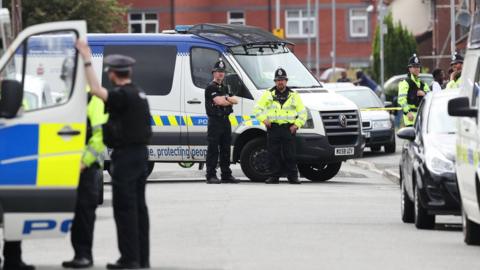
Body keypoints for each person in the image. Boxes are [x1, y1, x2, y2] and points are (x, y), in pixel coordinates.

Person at [76, 40, 152, 269]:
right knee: (139, 209)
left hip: (126, 158)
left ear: (113, 74)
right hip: (141, 156)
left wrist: (86, 58)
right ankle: (141, 259)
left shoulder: (122, 95)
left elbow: (97, 91)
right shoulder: (139, 93)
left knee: (125, 210)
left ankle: (129, 259)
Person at [62, 59, 108, 268]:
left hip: (88, 168)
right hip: (71, 166)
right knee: (76, 213)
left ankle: (84, 255)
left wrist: (84, 162)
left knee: (85, 214)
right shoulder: (72, 98)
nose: (65, 82)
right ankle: (78, 254)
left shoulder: (93, 99)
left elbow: (99, 137)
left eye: (68, 78)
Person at [253, 68, 307, 184]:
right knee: (273, 153)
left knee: (290, 154)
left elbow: (303, 113)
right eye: (278, 80)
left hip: (289, 128)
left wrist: (296, 125)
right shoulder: (268, 94)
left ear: (286, 81)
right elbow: (257, 108)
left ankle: (293, 177)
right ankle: (274, 176)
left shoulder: (294, 95)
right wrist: (264, 119)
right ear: (275, 81)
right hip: (274, 128)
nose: (280, 82)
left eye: (282, 80)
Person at [204, 59, 239, 184]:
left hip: (225, 121)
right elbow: (220, 102)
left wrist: (226, 98)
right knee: (213, 149)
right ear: (214, 73)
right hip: (215, 121)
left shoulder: (225, 87)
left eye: (223, 72)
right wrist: (226, 99)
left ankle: (226, 174)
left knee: (225, 149)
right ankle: (211, 175)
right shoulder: (210, 87)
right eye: (218, 71)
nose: (221, 74)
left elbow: (236, 100)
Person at [397, 54, 430, 127]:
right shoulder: (405, 83)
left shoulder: (422, 83)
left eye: (418, 67)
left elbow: (430, 95)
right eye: (414, 66)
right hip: (410, 119)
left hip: (422, 117)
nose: (417, 69)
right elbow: (401, 100)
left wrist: (423, 93)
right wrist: (408, 112)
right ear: (409, 68)